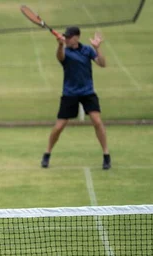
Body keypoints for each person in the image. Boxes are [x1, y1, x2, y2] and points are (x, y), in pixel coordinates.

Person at [41, 26, 111, 170]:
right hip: (70, 93)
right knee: (59, 126)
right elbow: (60, 57)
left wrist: (97, 48)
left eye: (68, 37)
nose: (66, 39)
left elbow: (102, 64)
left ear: (76, 37)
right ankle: (47, 153)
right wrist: (60, 44)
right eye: (65, 37)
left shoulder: (87, 50)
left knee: (97, 121)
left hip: (87, 92)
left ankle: (106, 156)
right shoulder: (65, 51)